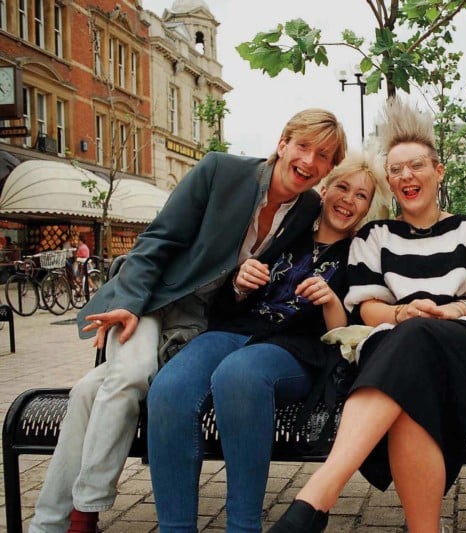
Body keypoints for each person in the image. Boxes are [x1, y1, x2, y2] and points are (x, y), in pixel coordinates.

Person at [28, 108, 347, 533]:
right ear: (282, 142)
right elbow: (159, 239)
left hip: (199, 323)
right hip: (153, 302)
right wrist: (129, 300)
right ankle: (86, 506)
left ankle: (54, 521)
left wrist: (240, 285)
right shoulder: (221, 171)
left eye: (323, 156)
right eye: (303, 146)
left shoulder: (307, 207)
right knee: (132, 376)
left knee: (91, 389)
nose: (309, 161)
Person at [269, 99, 466, 533]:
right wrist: (402, 313)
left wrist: (456, 308)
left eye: (416, 165)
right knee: (409, 379)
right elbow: (368, 307)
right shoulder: (375, 236)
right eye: (395, 170)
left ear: (437, 171)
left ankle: (318, 494)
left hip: (465, 341)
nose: (405, 176)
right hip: (398, 343)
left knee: (415, 341)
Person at [147, 154, 389, 533]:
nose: (348, 199)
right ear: (323, 191)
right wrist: (241, 283)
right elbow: (228, 300)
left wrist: (329, 300)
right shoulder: (288, 230)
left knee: (239, 375)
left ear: (367, 207)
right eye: (342, 187)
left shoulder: (360, 252)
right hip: (236, 329)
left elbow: (343, 332)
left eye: (361, 195)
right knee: (168, 390)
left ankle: (243, 527)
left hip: (297, 349)